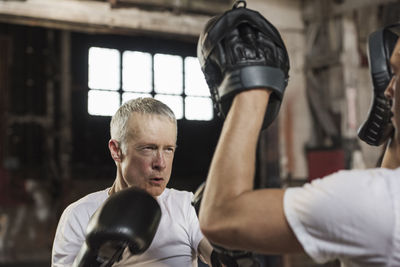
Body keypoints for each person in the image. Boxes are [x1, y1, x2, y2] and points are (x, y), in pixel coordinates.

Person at [197, 4, 400, 267]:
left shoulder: (376, 204)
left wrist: (253, 81)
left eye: (396, 74)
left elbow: (220, 216)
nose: (387, 90)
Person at [51, 97, 213, 266]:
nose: (161, 163)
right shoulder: (79, 214)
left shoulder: (186, 205)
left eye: (168, 149)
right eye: (148, 148)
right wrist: (92, 260)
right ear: (116, 151)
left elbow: (225, 261)